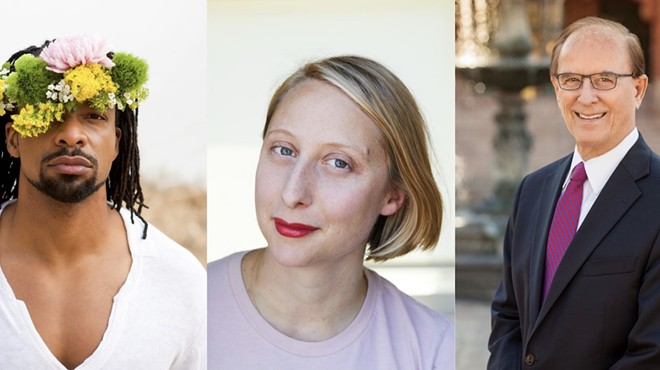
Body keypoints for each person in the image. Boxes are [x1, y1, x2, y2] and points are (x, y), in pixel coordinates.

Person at [207, 55, 454, 369]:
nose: (293, 192)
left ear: (392, 196)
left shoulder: (434, 348)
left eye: (339, 163)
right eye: (284, 150)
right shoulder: (191, 302)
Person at [0, 35, 206, 369]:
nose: (71, 135)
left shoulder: (181, 282)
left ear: (117, 144)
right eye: (50, 113)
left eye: (94, 116)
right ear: (14, 139)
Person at [488, 16, 660, 369]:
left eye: (604, 80)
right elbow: (509, 315)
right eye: (571, 80)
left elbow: (651, 354)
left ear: (638, 89)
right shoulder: (531, 191)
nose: (586, 96)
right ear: (556, 88)